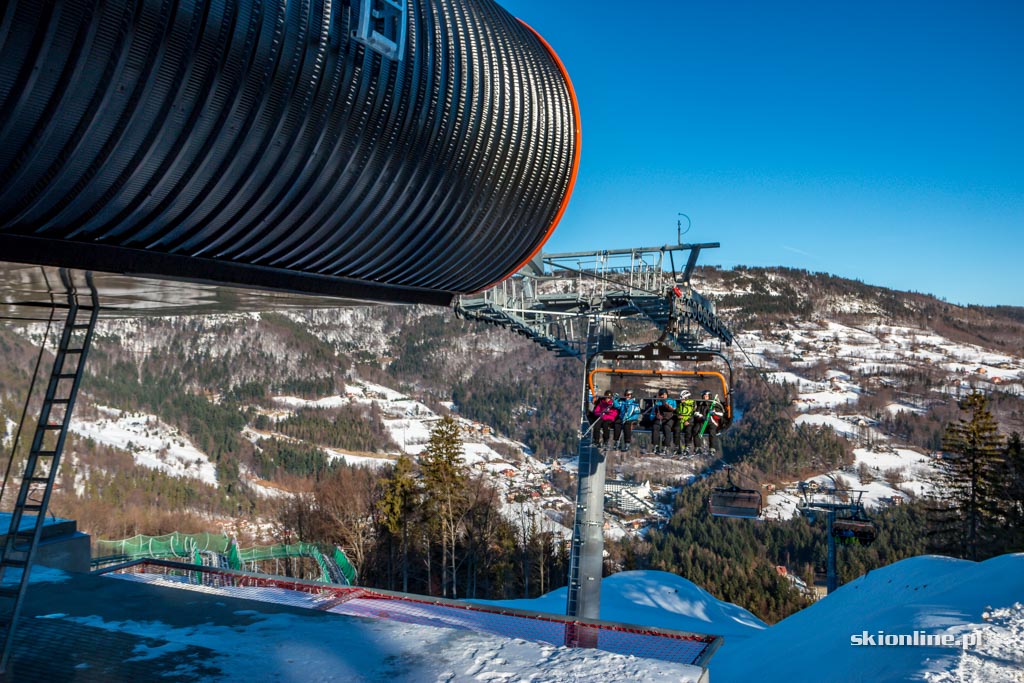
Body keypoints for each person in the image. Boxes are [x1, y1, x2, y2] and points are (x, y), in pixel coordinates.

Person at [695, 390, 725, 456]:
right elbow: (696, 413)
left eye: (706, 396)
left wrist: (713, 413)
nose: (705, 398)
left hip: (712, 422)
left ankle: (712, 448)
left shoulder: (714, 404)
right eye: (704, 396)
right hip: (703, 421)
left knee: (712, 432)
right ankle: (698, 447)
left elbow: (721, 414)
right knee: (696, 429)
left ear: (709, 396)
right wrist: (702, 417)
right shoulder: (701, 404)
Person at [651, 389, 677, 455]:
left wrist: (665, 404)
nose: (663, 396)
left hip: (669, 418)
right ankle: (655, 445)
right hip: (660, 418)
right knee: (655, 427)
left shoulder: (671, 401)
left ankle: (665, 446)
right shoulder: (657, 402)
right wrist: (656, 416)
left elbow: (673, 408)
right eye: (662, 395)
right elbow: (653, 412)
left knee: (667, 428)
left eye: (665, 394)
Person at [675, 389, 697, 456]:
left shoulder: (693, 403)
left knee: (688, 430)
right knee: (676, 429)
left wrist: (689, 421)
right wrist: (678, 415)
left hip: (689, 421)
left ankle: (687, 446)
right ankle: (677, 446)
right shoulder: (680, 404)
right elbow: (677, 411)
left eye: (683, 398)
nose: (682, 400)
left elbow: (694, 413)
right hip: (681, 420)